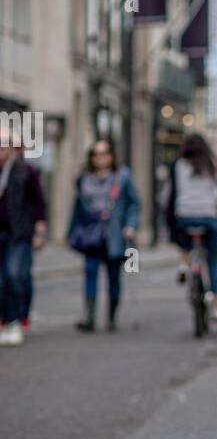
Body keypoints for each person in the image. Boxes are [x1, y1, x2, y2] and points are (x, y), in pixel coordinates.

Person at [67, 138, 140, 332]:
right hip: (91, 235)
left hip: (114, 235)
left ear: (111, 156)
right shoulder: (83, 178)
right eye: (96, 154)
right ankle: (90, 317)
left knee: (113, 277)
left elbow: (134, 203)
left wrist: (130, 225)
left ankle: (111, 317)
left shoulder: (122, 177)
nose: (100, 158)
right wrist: (71, 232)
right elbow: (77, 207)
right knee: (90, 272)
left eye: (104, 154)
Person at [164, 132, 217, 320]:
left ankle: (184, 263)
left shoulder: (178, 165)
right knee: (212, 260)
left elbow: (169, 194)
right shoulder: (211, 164)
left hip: (185, 216)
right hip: (208, 216)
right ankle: (216, 306)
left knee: (182, 239)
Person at [0, 135, 47, 346]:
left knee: (15, 274)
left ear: (12, 148)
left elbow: (39, 202)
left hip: (19, 233)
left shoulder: (25, 170)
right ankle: (7, 319)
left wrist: (39, 230)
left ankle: (15, 320)